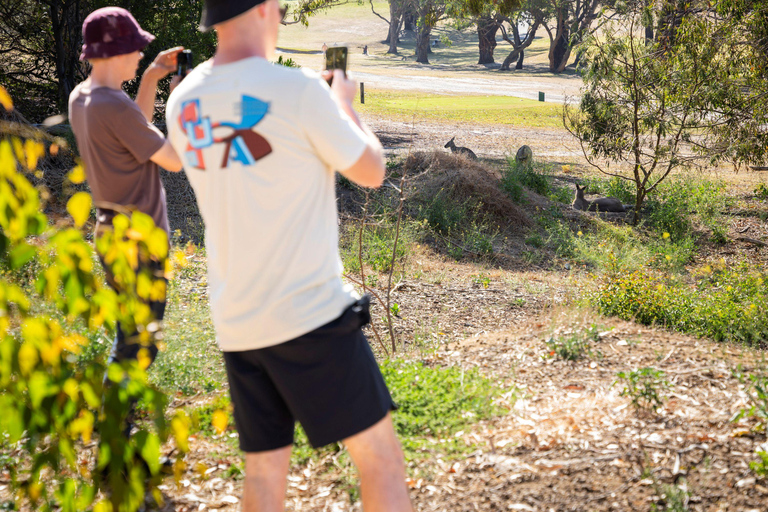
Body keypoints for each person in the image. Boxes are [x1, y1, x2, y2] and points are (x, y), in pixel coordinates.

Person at [165, 1, 413, 511]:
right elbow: (371, 171)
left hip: (237, 319)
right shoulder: (298, 89)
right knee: (381, 462)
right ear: (262, 9)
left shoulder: (183, 100)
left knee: (264, 472)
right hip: (308, 311)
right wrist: (343, 103)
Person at [68, 6, 184, 372]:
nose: (139, 55)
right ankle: (114, 407)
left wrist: (150, 79)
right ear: (117, 52)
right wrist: (178, 106)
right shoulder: (115, 105)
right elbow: (173, 160)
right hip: (141, 240)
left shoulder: (82, 97)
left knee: (128, 335)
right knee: (138, 348)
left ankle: (114, 403)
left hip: (110, 233)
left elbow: (134, 130)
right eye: (136, 49)